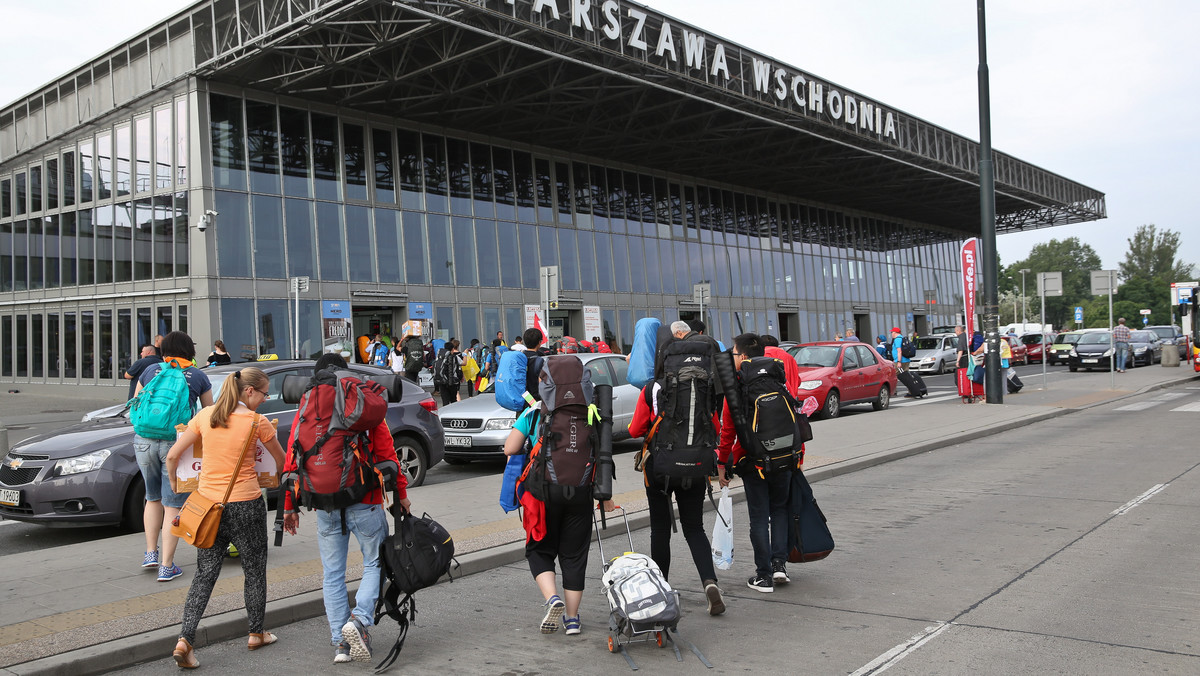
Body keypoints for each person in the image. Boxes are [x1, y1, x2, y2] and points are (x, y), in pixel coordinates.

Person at [281, 354, 409, 664]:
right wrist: (401, 493)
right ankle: (360, 620)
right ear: (344, 372)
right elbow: (385, 451)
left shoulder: (307, 404)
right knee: (374, 563)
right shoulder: (358, 402)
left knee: (332, 574)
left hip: (323, 503)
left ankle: (341, 642)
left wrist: (289, 507)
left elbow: (292, 457)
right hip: (363, 500)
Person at [164, 366, 285, 668]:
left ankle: (185, 640)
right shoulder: (257, 422)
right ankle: (256, 632)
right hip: (246, 504)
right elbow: (281, 461)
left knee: (205, 574)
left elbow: (172, 456)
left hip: (208, 506)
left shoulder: (205, 416)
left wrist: (176, 486)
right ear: (248, 391)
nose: (265, 398)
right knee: (254, 569)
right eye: (263, 393)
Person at [503, 388, 615, 636]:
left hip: (543, 494)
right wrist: (606, 496)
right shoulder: (591, 412)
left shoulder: (535, 411)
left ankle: (553, 598)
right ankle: (572, 620)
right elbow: (602, 454)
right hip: (580, 493)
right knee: (574, 556)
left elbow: (509, 449)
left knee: (539, 549)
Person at [628, 351, 726, 615]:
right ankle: (709, 582)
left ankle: (660, 589)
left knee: (659, 529)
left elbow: (635, 430)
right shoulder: (704, 385)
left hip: (659, 467)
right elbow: (714, 426)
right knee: (695, 528)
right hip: (695, 466)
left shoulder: (652, 388)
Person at [134, 331, 214, 582]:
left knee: (152, 497)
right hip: (176, 444)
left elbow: (135, 402)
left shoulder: (150, 371)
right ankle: (167, 567)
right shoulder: (198, 375)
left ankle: (150, 553)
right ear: (189, 349)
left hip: (144, 440)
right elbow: (208, 414)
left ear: (164, 349)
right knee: (172, 504)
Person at [717, 333, 793, 593]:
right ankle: (780, 565)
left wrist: (721, 463)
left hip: (754, 461)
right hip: (785, 456)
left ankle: (764, 575)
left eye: (735, 354)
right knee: (780, 509)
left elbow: (728, 431)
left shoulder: (737, 386)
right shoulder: (777, 377)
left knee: (759, 517)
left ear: (745, 356)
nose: (734, 359)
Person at [436, 340, 464, 406]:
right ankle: (452, 414)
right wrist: (465, 354)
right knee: (453, 400)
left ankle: (444, 414)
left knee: (445, 401)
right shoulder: (455, 357)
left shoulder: (439, 356)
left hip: (442, 380)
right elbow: (464, 363)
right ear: (452, 349)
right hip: (452, 381)